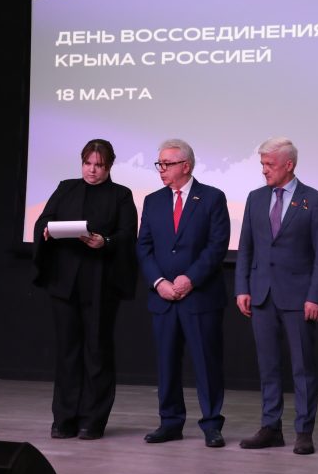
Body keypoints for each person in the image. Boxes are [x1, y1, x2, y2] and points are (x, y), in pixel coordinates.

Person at [32, 139, 138, 441]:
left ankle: (92, 420)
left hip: (101, 283)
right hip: (65, 283)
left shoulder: (121, 195)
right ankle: (64, 419)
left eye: (99, 165)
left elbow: (128, 235)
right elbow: (44, 219)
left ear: (109, 166)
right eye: (87, 164)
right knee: (67, 352)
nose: (92, 170)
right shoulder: (66, 188)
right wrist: (46, 229)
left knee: (97, 351)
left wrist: (105, 241)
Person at [234, 137, 318, 455]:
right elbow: (246, 247)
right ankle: (270, 427)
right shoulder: (255, 198)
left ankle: (304, 431)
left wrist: (315, 297)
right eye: (262, 164)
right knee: (268, 366)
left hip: (299, 298)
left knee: (302, 368)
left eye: (270, 164)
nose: (264, 170)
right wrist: (242, 288)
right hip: (261, 295)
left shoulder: (314, 200)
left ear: (288, 165)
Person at [136, 138, 231, 448]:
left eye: (167, 164)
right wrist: (159, 282)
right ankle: (170, 422)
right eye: (159, 164)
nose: (161, 169)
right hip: (163, 298)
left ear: (186, 166)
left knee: (206, 363)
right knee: (167, 363)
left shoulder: (212, 198)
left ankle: (212, 424)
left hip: (200, 297)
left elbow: (216, 246)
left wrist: (190, 279)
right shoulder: (153, 201)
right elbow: (144, 247)